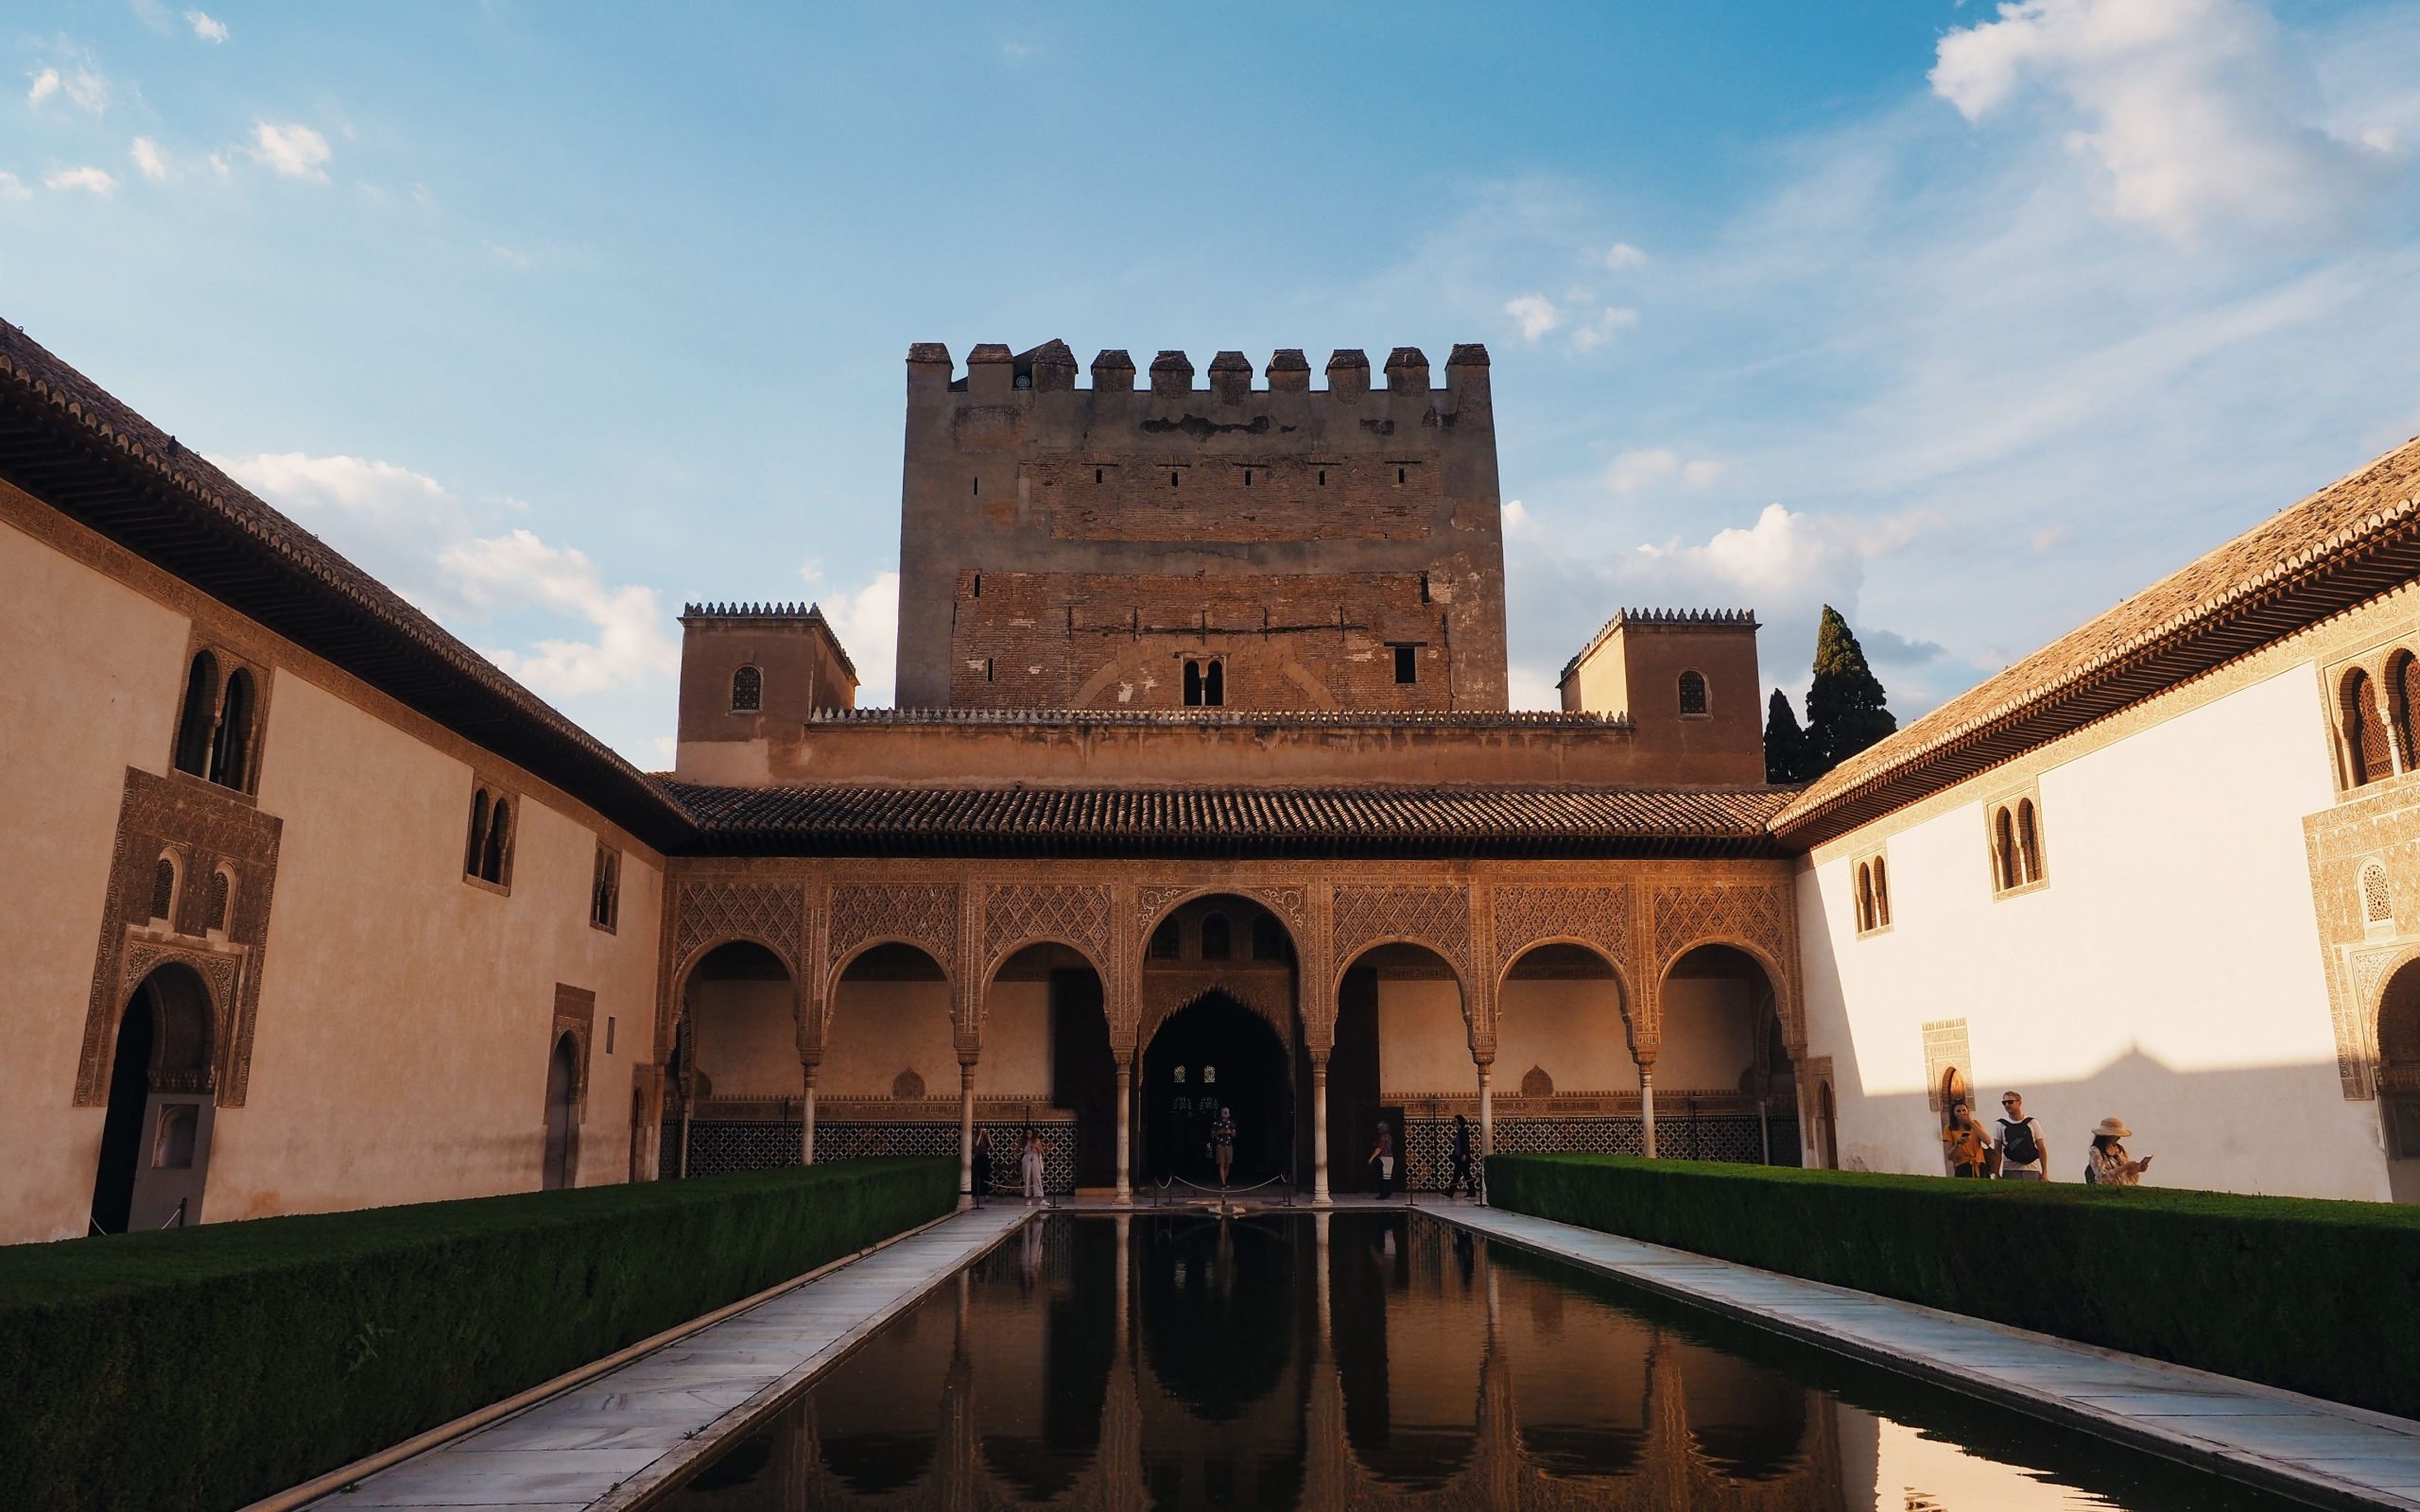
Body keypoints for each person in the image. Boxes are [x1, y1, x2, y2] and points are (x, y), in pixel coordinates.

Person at [1995, 1091, 2048, 1182]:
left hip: (2032, 1169)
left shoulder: (2032, 1122)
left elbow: (2041, 1148)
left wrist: (2044, 1172)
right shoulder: (2000, 1124)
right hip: (2010, 1169)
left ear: (2020, 1103)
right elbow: (1997, 1151)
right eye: (2004, 1103)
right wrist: (1996, 1173)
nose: (2007, 1105)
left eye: (2010, 1102)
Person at [2083, 1117, 2152, 1187]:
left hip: (2123, 1192)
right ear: (2107, 1135)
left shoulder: (2120, 1149)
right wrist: (2124, 1167)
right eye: (2116, 1135)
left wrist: (2136, 1170)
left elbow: (2126, 1177)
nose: (2119, 1138)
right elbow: (2101, 1178)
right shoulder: (2096, 1151)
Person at [1941, 1102, 1989, 1177]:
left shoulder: (1975, 1123)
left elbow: (1987, 1141)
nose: (1962, 1113)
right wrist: (1958, 1144)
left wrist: (1971, 1123)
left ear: (1968, 1111)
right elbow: (1949, 1156)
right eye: (1958, 1111)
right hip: (1962, 1166)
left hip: (1980, 1164)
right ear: (1953, 1114)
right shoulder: (1949, 1129)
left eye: (1964, 1110)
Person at [1444, 1113, 1478, 1198]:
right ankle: (1451, 1192)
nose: (1453, 1122)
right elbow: (1459, 1144)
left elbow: (1466, 1144)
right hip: (1459, 1157)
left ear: (1459, 1121)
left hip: (1463, 1157)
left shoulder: (1463, 1131)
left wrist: (1464, 1154)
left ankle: (1471, 1192)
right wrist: (1452, 1141)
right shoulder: (1459, 1131)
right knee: (1457, 1175)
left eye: (1455, 1121)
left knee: (1466, 1174)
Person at [1370, 1120, 1396, 1199]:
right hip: (1390, 1158)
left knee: (1383, 1177)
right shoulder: (1389, 1136)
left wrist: (1372, 1157)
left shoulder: (1383, 1137)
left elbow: (1380, 1148)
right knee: (1387, 1177)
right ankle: (1387, 1192)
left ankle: (1383, 1194)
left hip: (1384, 1158)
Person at [1212, 1106, 1237, 1187]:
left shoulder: (1231, 1123)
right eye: (1224, 1114)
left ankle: (1224, 1181)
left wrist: (1230, 1132)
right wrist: (1219, 1132)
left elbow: (1234, 1135)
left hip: (1229, 1145)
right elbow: (1212, 1134)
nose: (1225, 1117)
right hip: (1220, 1146)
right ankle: (1223, 1183)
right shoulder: (1216, 1122)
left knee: (1228, 1164)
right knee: (1221, 1164)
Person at [1021, 1127, 1046, 1203]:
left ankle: (1041, 1198)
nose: (1029, 1135)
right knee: (1027, 1177)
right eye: (1027, 1133)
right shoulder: (1024, 1141)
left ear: (1033, 1134)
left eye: (1030, 1133)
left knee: (1037, 1177)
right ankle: (1028, 1199)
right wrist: (1015, 1155)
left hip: (1035, 1158)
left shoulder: (1037, 1141)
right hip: (1027, 1158)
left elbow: (1042, 1151)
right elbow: (1017, 1149)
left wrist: (1037, 1147)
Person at [971, 1127, 994, 1203]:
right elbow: (976, 1145)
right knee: (977, 1176)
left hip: (985, 1158)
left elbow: (992, 1147)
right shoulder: (975, 1137)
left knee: (986, 1177)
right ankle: (975, 1195)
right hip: (978, 1158)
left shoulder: (986, 1139)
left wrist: (988, 1136)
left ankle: (986, 1195)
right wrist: (980, 1134)